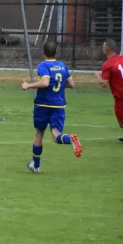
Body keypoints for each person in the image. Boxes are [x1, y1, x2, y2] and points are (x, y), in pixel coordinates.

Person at [21, 41, 82, 173]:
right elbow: (71, 84)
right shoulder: (62, 66)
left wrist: (29, 86)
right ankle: (70, 139)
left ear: (43, 53)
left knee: (39, 133)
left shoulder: (43, 65)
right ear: (56, 53)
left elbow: (45, 82)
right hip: (59, 105)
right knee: (56, 135)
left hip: (43, 104)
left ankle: (36, 166)